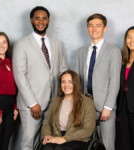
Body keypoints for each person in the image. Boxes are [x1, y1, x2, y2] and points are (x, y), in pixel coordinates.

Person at [12, 6, 67, 150]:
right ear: (31, 20)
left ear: (49, 20)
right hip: (32, 104)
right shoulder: (21, 44)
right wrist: (32, 103)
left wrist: (62, 98)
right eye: (37, 18)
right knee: (30, 142)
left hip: (53, 102)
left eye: (44, 18)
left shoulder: (57, 44)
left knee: (47, 141)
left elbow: (63, 70)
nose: (41, 21)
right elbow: (19, 75)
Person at [75, 13, 122, 150]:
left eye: (98, 26)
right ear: (87, 28)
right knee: (85, 144)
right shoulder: (81, 51)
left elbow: (115, 81)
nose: (94, 29)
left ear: (105, 29)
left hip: (104, 106)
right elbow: (77, 80)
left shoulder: (113, 51)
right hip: (85, 104)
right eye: (91, 26)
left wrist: (108, 107)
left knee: (107, 144)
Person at [41, 70, 96, 150]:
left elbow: (87, 130)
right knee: (47, 148)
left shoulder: (87, 103)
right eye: (63, 82)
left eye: (70, 82)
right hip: (57, 135)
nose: (66, 85)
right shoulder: (55, 101)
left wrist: (64, 139)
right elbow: (47, 124)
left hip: (78, 139)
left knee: (59, 148)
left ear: (76, 84)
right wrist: (47, 135)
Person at [117, 26, 134, 150]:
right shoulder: (123, 61)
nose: (131, 40)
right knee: (125, 141)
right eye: (129, 37)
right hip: (123, 107)